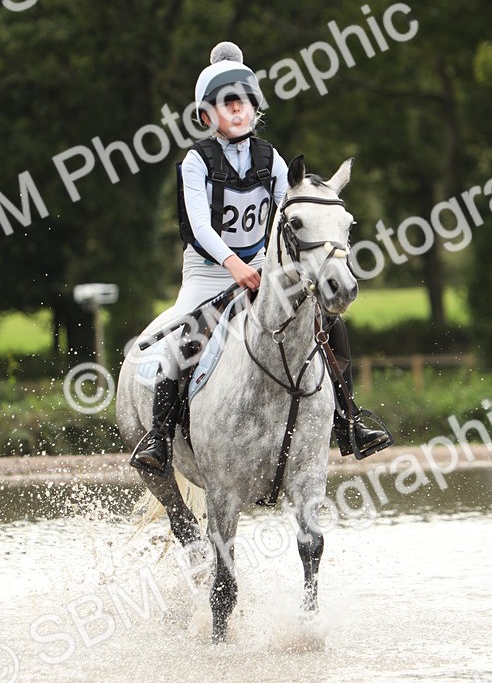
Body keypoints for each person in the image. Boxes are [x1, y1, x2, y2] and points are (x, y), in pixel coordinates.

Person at [130, 41, 393, 474]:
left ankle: (348, 422)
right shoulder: (196, 162)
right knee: (183, 338)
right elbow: (199, 227)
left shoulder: (269, 158)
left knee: (329, 325)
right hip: (208, 273)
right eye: (228, 103)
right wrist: (235, 266)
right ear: (207, 114)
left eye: (245, 102)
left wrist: (270, 262)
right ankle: (159, 437)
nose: (239, 110)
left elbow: (286, 214)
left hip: (261, 268)